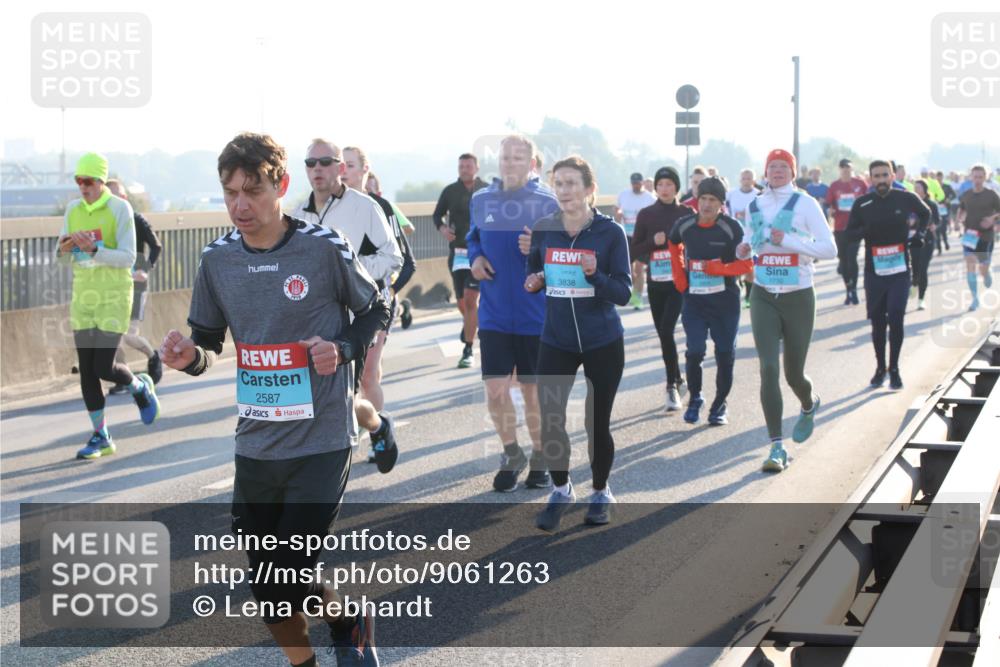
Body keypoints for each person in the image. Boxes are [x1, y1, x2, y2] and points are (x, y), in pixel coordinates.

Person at [161, 133, 389, 666]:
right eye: (229, 192)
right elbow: (210, 343)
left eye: (253, 191)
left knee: (287, 566)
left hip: (322, 437)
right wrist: (187, 357)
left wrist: (343, 348)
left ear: (281, 186)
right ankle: (344, 622)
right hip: (258, 443)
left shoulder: (321, 247)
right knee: (269, 584)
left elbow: (375, 311)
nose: (240, 205)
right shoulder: (217, 259)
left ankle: (344, 624)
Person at [519, 156, 630, 531]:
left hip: (602, 340)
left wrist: (595, 274)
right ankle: (562, 489)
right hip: (557, 339)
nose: (564, 190)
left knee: (596, 423)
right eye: (559, 183)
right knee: (550, 421)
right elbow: (534, 274)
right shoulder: (544, 229)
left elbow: (624, 292)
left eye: (571, 183)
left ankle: (600, 492)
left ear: (589, 189)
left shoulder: (609, 233)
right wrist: (533, 282)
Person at [292, 138, 402, 467]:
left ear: (340, 168)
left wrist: (350, 273)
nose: (317, 170)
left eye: (325, 163)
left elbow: (393, 258)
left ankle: (378, 427)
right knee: (312, 392)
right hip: (314, 315)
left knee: (346, 396)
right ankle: (371, 429)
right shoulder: (299, 213)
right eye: (310, 164)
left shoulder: (365, 207)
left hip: (357, 315)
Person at [467, 134, 559, 492]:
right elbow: (473, 238)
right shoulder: (482, 199)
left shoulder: (547, 201)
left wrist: (537, 246)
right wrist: (475, 257)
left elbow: (563, 250)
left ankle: (540, 455)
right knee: (495, 391)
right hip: (493, 314)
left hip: (535, 314)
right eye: (505, 157)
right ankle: (511, 453)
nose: (510, 163)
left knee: (533, 392)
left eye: (518, 158)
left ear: (532, 164)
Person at [738, 149, 837, 472]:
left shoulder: (807, 203)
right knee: (768, 368)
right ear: (765, 172)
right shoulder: (755, 204)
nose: (777, 171)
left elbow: (829, 249)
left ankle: (809, 403)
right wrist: (743, 247)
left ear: (793, 172)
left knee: (794, 373)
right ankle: (776, 447)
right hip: (764, 294)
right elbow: (751, 239)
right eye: (772, 166)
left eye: (783, 166)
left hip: (798, 297)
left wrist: (791, 242)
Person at [56, 153, 160, 460]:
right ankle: (101, 436)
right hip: (83, 298)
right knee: (87, 372)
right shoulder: (73, 209)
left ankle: (139, 385)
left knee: (104, 367)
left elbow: (128, 257)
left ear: (101, 182)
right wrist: (63, 249)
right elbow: (61, 253)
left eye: (88, 181)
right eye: (79, 181)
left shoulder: (120, 208)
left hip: (114, 296)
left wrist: (95, 248)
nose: (83, 187)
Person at [669, 177, 752, 425]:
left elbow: (747, 265)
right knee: (694, 351)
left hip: (725, 302)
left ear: (721, 204)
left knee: (725, 353)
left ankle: (719, 406)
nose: (706, 204)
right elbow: (674, 246)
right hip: (694, 301)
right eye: (703, 199)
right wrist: (680, 280)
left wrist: (719, 269)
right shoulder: (684, 225)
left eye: (712, 200)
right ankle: (696, 398)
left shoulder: (732, 228)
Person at [846, 160, 929, 390]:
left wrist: (919, 234)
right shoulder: (862, 204)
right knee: (878, 322)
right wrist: (865, 231)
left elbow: (926, 212)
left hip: (900, 269)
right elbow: (849, 233)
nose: (881, 180)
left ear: (892, 176)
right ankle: (880, 368)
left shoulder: (905, 197)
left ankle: (894, 369)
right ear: (871, 179)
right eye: (876, 176)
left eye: (885, 175)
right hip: (875, 271)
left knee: (896, 316)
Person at [632, 166, 693, 410]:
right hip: (656, 283)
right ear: (655, 188)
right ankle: (677, 376)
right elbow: (634, 249)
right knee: (663, 334)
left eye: (669, 184)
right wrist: (652, 242)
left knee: (667, 330)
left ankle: (671, 387)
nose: (664, 189)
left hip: (679, 283)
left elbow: (696, 243)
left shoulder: (686, 212)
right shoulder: (646, 214)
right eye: (660, 185)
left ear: (676, 187)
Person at [105, 179, 164, 394]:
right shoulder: (105, 224)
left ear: (125, 198)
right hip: (113, 284)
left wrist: (145, 270)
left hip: (136, 283)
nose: (115, 200)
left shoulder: (136, 220)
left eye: (118, 195)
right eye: (109, 196)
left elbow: (156, 246)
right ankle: (123, 377)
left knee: (128, 334)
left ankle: (153, 357)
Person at [433, 153, 489, 367]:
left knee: (471, 298)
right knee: (463, 303)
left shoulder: (486, 190)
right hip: (457, 254)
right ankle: (470, 325)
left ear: (476, 167)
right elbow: (437, 215)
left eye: (468, 165)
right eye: (461, 166)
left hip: (480, 253)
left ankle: (467, 349)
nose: (464, 169)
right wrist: (443, 228)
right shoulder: (450, 191)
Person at [956, 164, 1000, 311]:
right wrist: (959, 219)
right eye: (975, 176)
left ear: (985, 177)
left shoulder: (992, 194)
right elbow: (961, 209)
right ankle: (975, 299)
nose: (978, 179)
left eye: (981, 177)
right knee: (970, 265)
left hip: (986, 237)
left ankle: (987, 274)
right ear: (971, 177)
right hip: (969, 235)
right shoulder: (967, 194)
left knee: (983, 268)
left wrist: (992, 219)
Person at [825, 159, 868, 305]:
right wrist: (830, 210)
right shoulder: (835, 185)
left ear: (852, 168)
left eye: (848, 167)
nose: (845, 170)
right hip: (840, 228)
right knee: (843, 261)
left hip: (856, 228)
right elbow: (828, 204)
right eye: (843, 168)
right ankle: (848, 289)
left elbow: (868, 199)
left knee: (852, 258)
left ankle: (854, 290)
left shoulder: (860, 183)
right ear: (839, 169)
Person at [615, 172, 656, 309]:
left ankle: (637, 298)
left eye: (638, 184)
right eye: (633, 184)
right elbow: (617, 208)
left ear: (642, 183)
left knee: (639, 267)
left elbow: (656, 214)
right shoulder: (624, 195)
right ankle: (632, 292)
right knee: (629, 269)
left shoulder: (649, 198)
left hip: (642, 237)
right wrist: (619, 214)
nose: (636, 186)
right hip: (627, 235)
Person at [726, 169, 761, 308]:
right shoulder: (732, 194)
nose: (746, 181)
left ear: (753, 180)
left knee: (749, 269)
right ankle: (737, 288)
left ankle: (748, 296)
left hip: (751, 236)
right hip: (734, 236)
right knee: (735, 266)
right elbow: (726, 209)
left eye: (749, 178)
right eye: (744, 178)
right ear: (740, 180)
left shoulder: (758, 195)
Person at [912, 179, 939, 311]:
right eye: (914, 187)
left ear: (924, 189)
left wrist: (933, 226)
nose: (916, 189)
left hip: (927, 241)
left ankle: (921, 299)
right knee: (915, 269)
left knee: (923, 269)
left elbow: (937, 221)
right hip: (913, 241)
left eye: (918, 187)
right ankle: (914, 283)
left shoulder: (931, 204)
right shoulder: (910, 203)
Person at [934, 170, 954, 255]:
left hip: (945, 209)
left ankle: (945, 242)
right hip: (936, 209)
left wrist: (948, 200)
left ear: (942, 177)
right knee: (937, 229)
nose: (939, 179)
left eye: (940, 177)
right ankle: (939, 248)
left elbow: (953, 195)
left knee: (943, 228)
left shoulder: (947, 186)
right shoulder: (934, 187)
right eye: (938, 177)